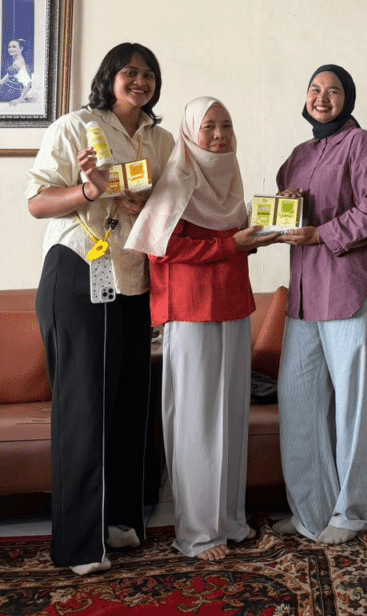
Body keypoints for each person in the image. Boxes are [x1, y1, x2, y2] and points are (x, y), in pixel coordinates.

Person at [26, 43, 174, 575]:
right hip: (77, 270)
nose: (140, 81)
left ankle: (119, 522)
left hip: (133, 276)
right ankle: (79, 544)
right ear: (109, 77)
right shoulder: (75, 126)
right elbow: (37, 202)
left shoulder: (160, 140)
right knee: (84, 406)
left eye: (148, 74)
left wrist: (143, 202)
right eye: (129, 72)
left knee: (131, 403)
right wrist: (89, 190)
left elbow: (169, 205)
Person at [126, 97, 277, 560]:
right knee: (196, 420)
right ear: (191, 132)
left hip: (233, 306)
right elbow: (161, 249)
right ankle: (196, 533)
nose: (219, 135)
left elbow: (233, 242)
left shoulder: (229, 177)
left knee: (231, 416)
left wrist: (265, 226)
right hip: (190, 310)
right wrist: (232, 244)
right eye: (209, 126)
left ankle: (228, 520)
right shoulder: (177, 179)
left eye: (226, 125)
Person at [270, 64, 367, 544]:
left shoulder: (364, 145)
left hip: (351, 290)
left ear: (349, 98)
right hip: (304, 296)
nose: (322, 97)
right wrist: (285, 203)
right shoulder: (298, 155)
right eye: (315, 89)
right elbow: (288, 215)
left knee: (356, 408)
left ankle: (356, 511)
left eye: (334, 90)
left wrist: (320, 233)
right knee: (298, 403)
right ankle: (311, 510)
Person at [0, 38, 34, 103]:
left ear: (21, 48)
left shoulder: (19, 62)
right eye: (9, 47)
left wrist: (20, 99)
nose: (11, 49)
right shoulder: (16, 61)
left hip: (12, 91)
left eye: (14, 47)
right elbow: (4, 79)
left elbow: (27, 82)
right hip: (7, 89)